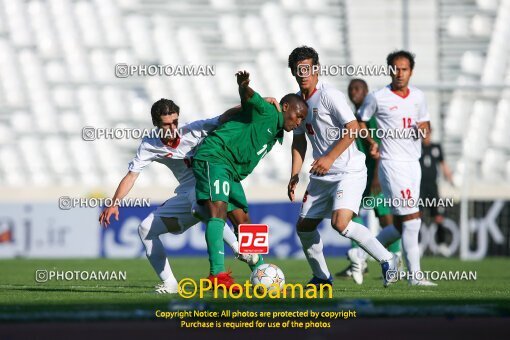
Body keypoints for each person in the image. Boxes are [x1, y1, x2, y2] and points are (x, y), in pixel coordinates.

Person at [99, 98, 274, 293]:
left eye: (175, 122)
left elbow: (225, 116)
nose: (172, 127)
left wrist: (256, 103)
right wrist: (114, 203)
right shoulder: (150, 144)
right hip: (191, 192)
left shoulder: (193, 129)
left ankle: (258, 267)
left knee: (244, 223)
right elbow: (131, 175)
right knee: (145, 228)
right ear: (156, 124)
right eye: (166, 124)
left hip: (217, 178)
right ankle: (171, 284)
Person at [287, 46, 399, 289]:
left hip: (348, 171)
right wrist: (294, 174)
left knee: (340, 223)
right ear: (294, 73)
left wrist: (328, 158)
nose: (304, 73)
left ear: (316, 69)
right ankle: (322, 277)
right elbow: (298, 141)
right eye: (299, 70)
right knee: (304, 228)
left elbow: (353, 128)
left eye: (308, 68)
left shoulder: (329, 95)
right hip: (321, 176)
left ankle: (388, 259)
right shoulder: (297, 102)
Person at [192, 70, 308, 290]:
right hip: (215, 157)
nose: (299, 121)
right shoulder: (267, 111)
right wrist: (243, 85)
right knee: (218, 210)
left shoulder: (277, 130)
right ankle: (217, 276)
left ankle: (261, 272)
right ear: (285, 107)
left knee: (244, 222)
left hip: (231, 170)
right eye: (298, 115)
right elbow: (248, 98)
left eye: (302, 119)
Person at [358, 50, 437, 286]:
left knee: (403, 224)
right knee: (412, 220)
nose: (399, 73)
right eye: (395, 68)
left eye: (404, 69)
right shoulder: (378, 97)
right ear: (389, 70)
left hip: (414, 164)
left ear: (411, 71)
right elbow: (360, 120)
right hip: (391, 165)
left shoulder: (419, 97)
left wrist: (425, 130)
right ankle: (415, 277)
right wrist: (372, 142)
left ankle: (362, 253)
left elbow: (426, 127)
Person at [335, 79, 402, 285]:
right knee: (349, 214)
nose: (353, 92)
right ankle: (360, 259)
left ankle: (396, 261)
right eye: (351, 89)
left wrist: (377, 177)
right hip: (359, 174)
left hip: (376, 176)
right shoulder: (354, 117)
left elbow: (380, 146)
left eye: (357, 89)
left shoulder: (370, 116)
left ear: (365, 91)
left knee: (385, 219)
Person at [420, 130, 453, 254]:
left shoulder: (436, 147)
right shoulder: (417, 147)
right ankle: (418, 245)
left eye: (428, 133)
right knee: (418, 216)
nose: (426, 136)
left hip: (433, 187)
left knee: (438, 216)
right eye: (423, 133)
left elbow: (443, 164)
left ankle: (442, 244)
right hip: (420, 187)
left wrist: (449, 177)